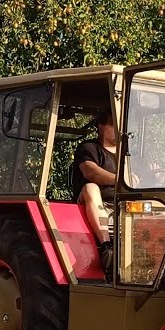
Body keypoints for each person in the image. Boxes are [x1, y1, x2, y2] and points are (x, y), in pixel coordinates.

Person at [72, 110, 118, 273]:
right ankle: (107, 248)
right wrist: (120, 181)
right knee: (90, 187)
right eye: (113, 123)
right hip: (92, 203)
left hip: (122, 205)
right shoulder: (89, 148)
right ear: (100, 126)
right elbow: (90, 172)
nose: (118, 127)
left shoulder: (128, 155)